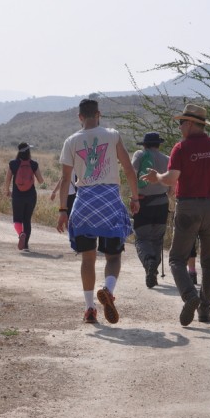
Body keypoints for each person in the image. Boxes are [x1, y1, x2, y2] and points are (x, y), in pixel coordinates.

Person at [143, 103, 210, 326]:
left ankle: (189, 295)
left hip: (188, 207)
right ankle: (205, 311)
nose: (179, 127)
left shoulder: (181, 148)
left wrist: (157, 177)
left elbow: (171, 178)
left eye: (181, 123)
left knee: (176, 258)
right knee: (209, 260)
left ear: (191, 124)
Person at [57, 99, 140, 325]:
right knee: (113, 256)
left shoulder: (71, 141)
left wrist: (63, 210)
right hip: (110, 202)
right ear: (99, 114)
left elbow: (66, 180)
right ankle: (108, 289)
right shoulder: (112, 135)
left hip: (84, 204)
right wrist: (135, 197)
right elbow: (129, 170)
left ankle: (90, 308)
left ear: (80, 117)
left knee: (88, 259)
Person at [131, 132, 171, 288]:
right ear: (158, 144)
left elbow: (132, 175)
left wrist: (134, 198)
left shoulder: (140, 155)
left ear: (145, 144)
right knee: (157, 238)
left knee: (142, 238)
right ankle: (153, 272)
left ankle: (149, 262)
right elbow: (172, 182)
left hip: (143, 202)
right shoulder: (167, 159)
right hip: (162, 203)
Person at [4, 142, 45, 252]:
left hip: (17, 196)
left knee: (17, 219)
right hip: (31, 196)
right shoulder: (33, 164)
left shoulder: (13, 164)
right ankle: (25, 245)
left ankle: (21, 234)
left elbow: (7, 179)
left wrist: (7, 190)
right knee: (27, 220)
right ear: (28, 151)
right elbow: (41, 181)